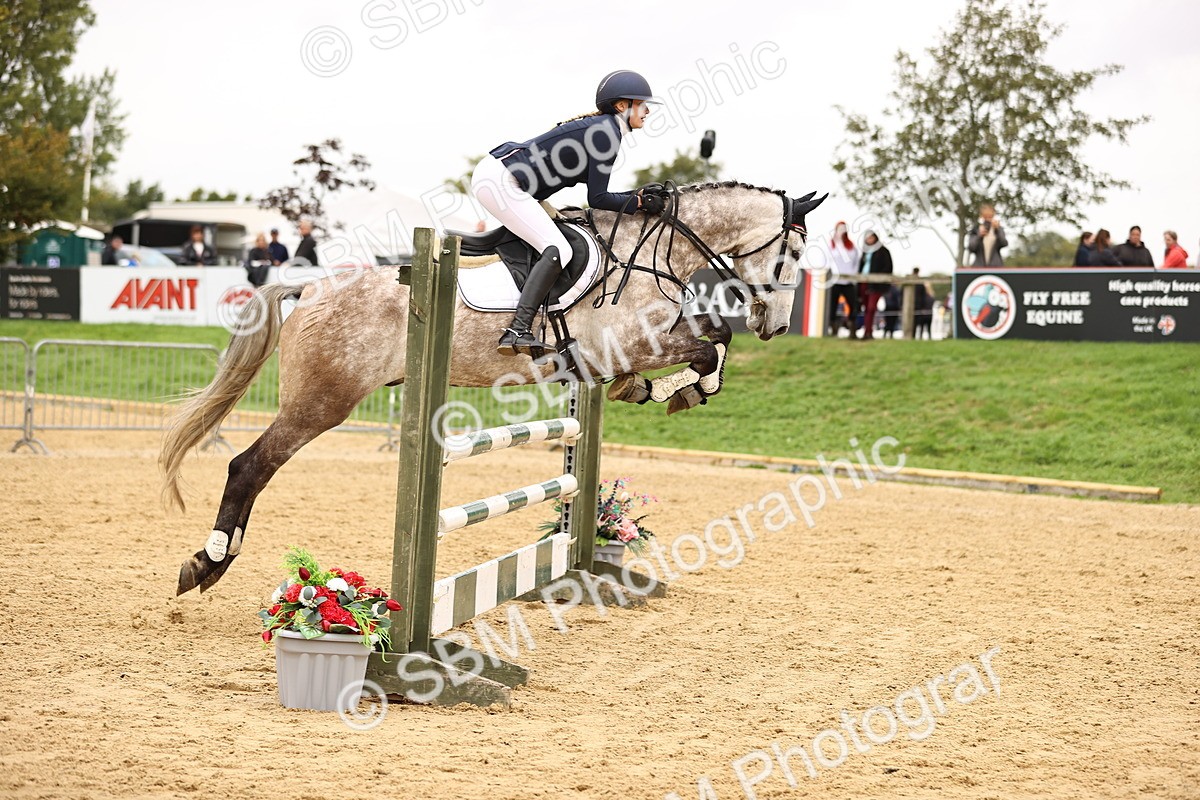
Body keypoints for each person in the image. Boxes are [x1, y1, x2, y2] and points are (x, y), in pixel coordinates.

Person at [471, 69, 662, 357]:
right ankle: (517, 330)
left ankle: (451, 245)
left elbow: (598, 195)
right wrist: (638, 203)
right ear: (622, 106)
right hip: (502, 181)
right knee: (558, 247)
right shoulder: (606, 134)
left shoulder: (605, 129)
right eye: (642, 104)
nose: (647, 111)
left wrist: (637, 198)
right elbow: (597, 198)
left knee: (518, 236)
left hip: (502, 175)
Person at [825, 221, 860, 337]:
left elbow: (856, 262)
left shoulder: (852, 246)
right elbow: (827, 262)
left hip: (848, 281)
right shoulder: (831, 245)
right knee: (832, 306)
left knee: (852, 305)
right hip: (835, 281)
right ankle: (833, 329)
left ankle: (852, 329)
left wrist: (853, 275)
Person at [857, 231, 893, 339]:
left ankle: (868, 331)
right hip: (864, 282)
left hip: (876, 284)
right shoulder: (865, 251)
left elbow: (888, 268)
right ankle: (866, 331)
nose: (869, 240)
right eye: (867, 238)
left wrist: (878, 279)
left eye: (871, 238)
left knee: (871, 308)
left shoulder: (883, 251)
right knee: (866, 308)